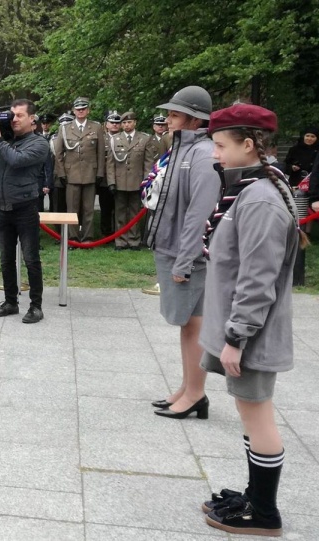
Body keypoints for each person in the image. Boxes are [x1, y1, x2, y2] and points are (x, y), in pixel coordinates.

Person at [199, 104, 306, 537]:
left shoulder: (261, 199)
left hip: (251, 334)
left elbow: (257, 279)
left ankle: (263, 512)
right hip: (246, 329)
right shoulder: (260, 185)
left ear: (249, 145)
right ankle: (254, 495)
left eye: (221, 146)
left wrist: (236, 337)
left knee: (257, 416)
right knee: (250, 414)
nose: (215, 154)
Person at [145, 86, 220, 419]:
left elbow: (199, 213)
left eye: (174, 114)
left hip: (185, 251)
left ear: (193, 119)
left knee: (193, 324)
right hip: (173, 245)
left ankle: (195, 393)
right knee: (189, 324)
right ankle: (189, 388)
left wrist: (185, 259)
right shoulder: (180, 149)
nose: (168, 119)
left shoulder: (203, 154)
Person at [0, 98, 49, 324]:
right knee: (6, 259)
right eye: (12, 115)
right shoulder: (3, 143)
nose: (14, 119)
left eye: (19, 115)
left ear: (32, 119)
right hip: (3, 207)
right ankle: (10, 302)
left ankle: (36, 306)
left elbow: (17, 161)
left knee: (30, 259)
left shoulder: (38, 144)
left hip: (25, 207)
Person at [53, 97, 105, 242]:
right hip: (71, 174)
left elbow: (100, 153)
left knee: (88, 209)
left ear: (88, 110)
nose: (80, 111)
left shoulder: (96, 127)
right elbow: (58, 154)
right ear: (74, 111)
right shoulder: (64, 128)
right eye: (78, 109)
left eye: (83, 108)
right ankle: (73, 237)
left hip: (90, 173)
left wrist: (100, 172)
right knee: (72, 209)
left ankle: (88, 237)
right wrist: (61, 173)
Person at [106, 111, 154, 250]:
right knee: (119, 212)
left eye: (129, 122)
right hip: (120, 181)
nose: (127, 125)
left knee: (134, 211)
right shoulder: (115, 139)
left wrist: (147, 182)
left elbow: (148, 163)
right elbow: (110, 163)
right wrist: (111, 182)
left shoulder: (145, 138)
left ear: (135, 123)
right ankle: (120, 240)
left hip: (136, 181)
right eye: (124, 123)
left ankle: (133, 240)